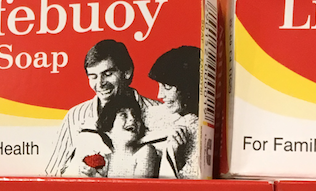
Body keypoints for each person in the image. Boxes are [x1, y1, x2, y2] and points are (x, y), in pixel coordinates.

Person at [45, 38, 168, 175]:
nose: (100, 84)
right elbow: (53, 172)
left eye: (108, 74)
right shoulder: (75, 116)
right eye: (93, 77)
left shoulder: (162, 113)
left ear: (127, 72)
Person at [149, 45, 202, 178]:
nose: (160, 95)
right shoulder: (152, 115)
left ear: (188, 87)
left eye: (167, 87)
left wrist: (177, 160)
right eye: (159, 86)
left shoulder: (203, 132)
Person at [93, 94, 160, 177]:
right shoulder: (105, 160)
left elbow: (140, 185)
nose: (132, 119)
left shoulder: (145, 151)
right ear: (108, 129)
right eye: (123, 115)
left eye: (135, 115)